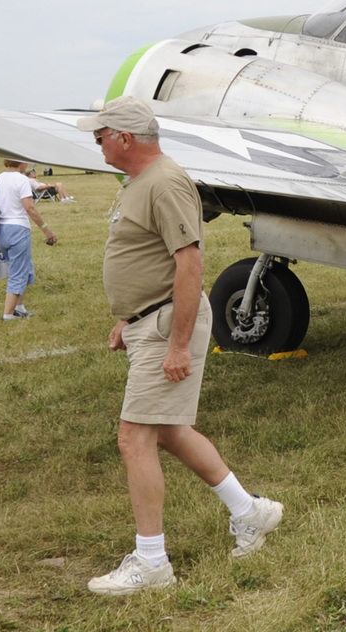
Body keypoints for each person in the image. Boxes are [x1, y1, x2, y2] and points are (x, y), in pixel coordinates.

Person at [76, 96, 283, 595]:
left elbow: (189, 265)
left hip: (169, 325)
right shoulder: (140, 182)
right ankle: (249, 511)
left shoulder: (165, 182)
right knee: (168, 432)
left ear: (124, 138)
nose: (96, 141)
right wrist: (128, 318)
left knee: (134, 438)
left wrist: (177, 344)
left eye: (101, 134)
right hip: (149, 321)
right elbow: (145, 257)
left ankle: (152, 562)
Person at [0, 159, 56, 320]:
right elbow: (29, 207)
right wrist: (46, 230)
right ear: (21, 163)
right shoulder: (22, 180)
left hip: (1, 229)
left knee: (26, 267)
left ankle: (19, 306)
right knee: (18, 272)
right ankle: (8, 315)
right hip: (18, 228)